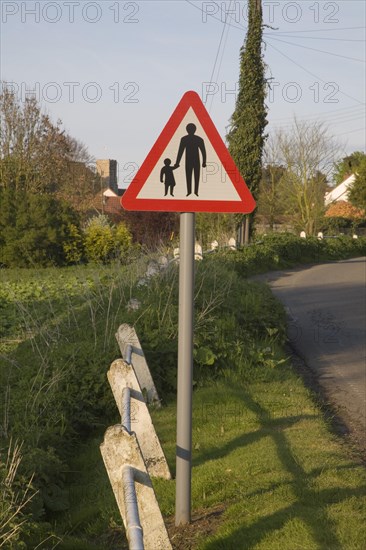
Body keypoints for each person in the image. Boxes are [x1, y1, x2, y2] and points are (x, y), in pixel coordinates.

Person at [175, 123, 206, 196]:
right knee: (191, 176)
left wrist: (204, 162)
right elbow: (180, 151)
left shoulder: (197, 139)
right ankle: (191, 192)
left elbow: (203, 151)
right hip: (191, 161)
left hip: (193, 161)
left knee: (194, 176)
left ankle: (195, 192)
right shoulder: (185, 139)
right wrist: (177, 163)